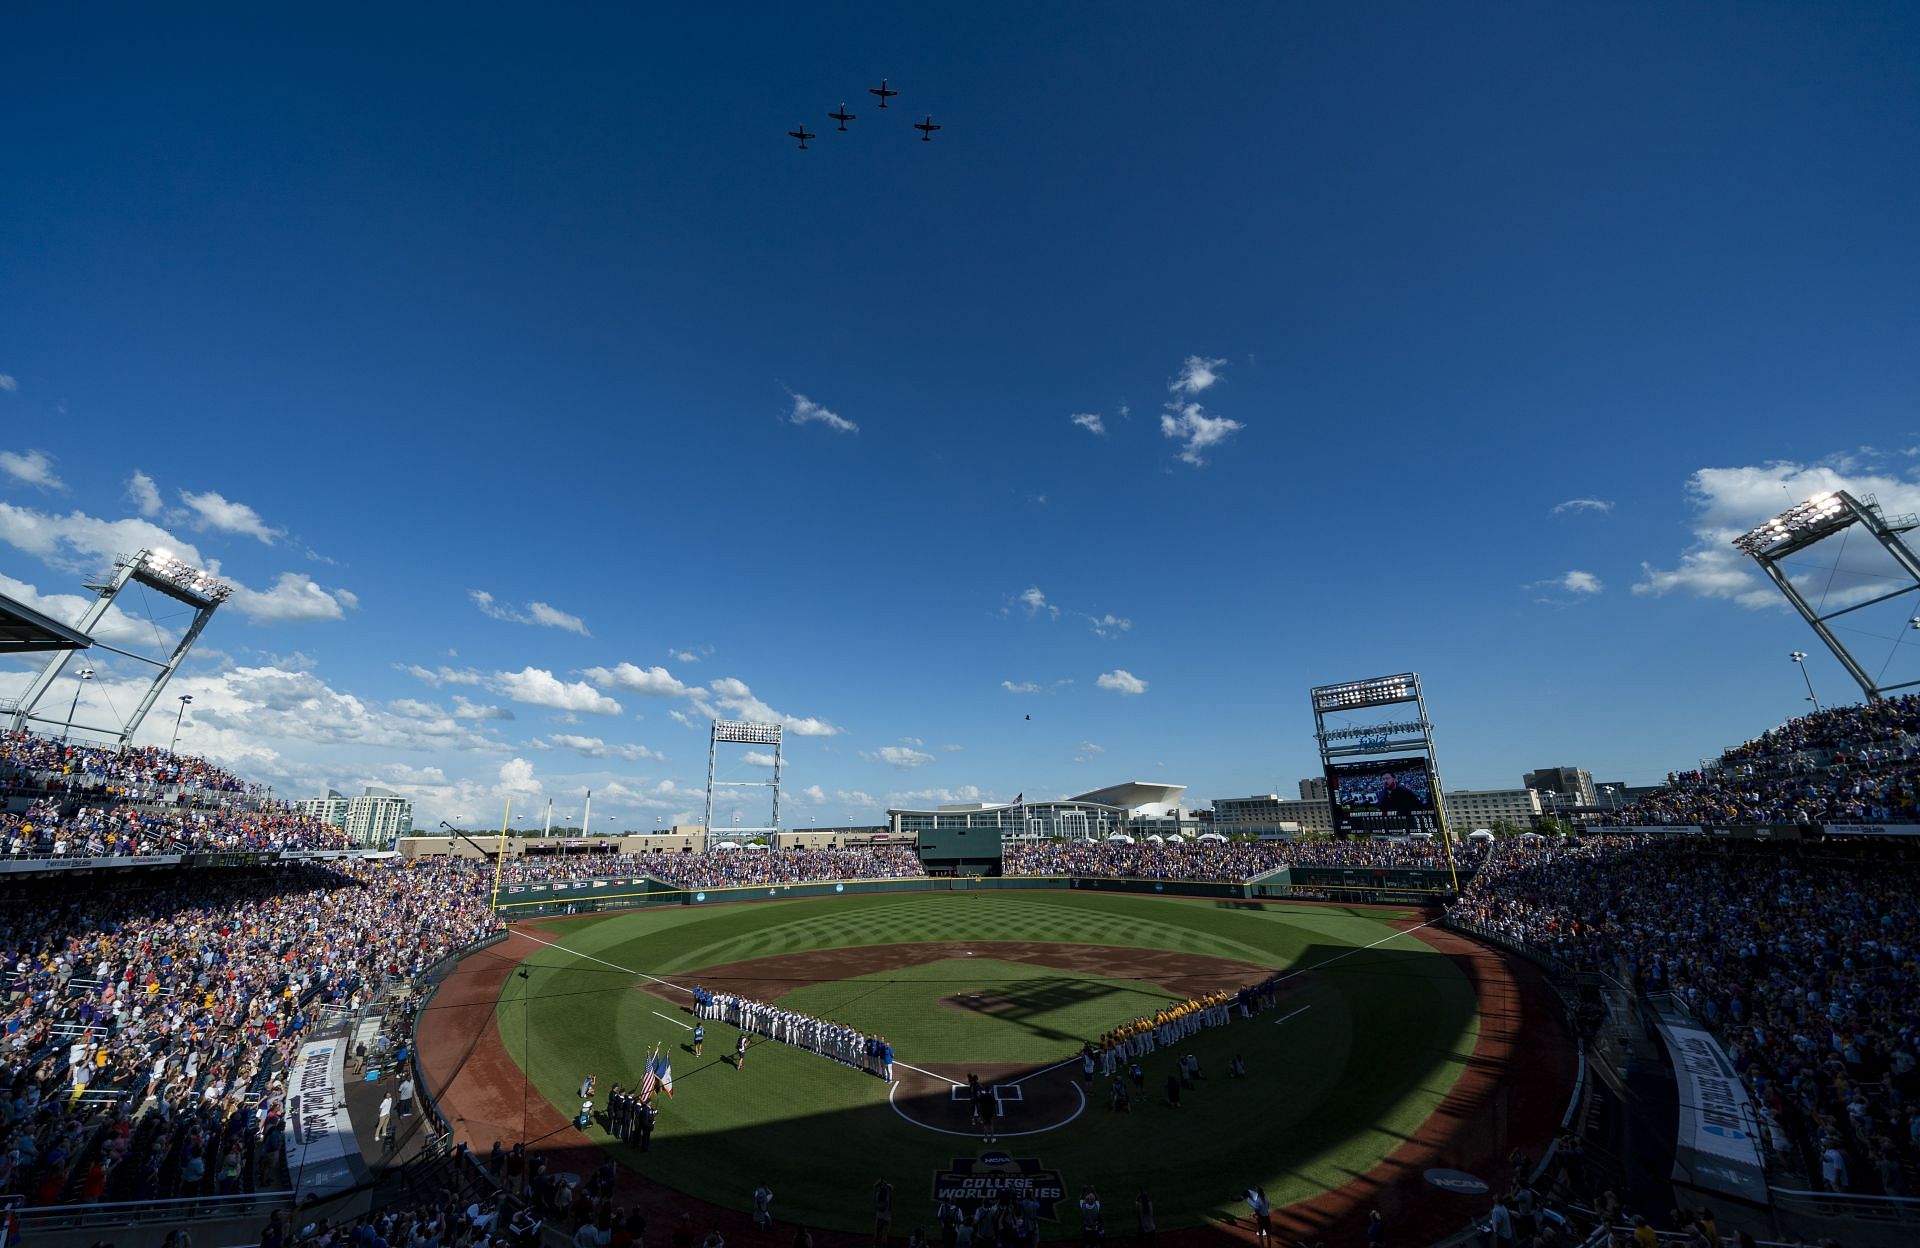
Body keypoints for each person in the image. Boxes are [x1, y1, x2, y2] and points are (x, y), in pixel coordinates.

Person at [873, 1178, 893, 1243]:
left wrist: (879, 1182)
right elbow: (890, 1188)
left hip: (879, 1216)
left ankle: (875, 1245)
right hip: (886, 1216)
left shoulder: (877, 1195)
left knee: (877, 1232)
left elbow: (875, 1187)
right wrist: (885, 1183)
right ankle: (883, 1245)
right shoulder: (887, 1196)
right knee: (885, 1233)